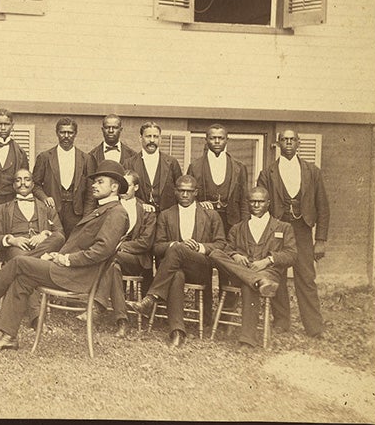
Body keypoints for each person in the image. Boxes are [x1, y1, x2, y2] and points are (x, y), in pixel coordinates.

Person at [0, 160, 130, 352]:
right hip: (71, 270)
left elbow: (102, 250)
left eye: (100, 182)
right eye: (95, 181)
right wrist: (55, 255)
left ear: (114, 187)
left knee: (19, 262)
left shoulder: (116, 213)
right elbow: (81, 244)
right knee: (22, 279)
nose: (94, 185)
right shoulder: (103, 210)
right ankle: (8, 336)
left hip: (79, 276)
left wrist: (66, 259)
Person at [127, 175, 226, 347]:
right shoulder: (166, 215)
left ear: (196, 192)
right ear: (175, 192)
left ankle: (151, 297)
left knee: (177, 249)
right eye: (181, 191)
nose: (185, 195)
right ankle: (177, 332)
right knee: (176, 275)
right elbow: (157, 247)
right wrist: (175, 245)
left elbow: (221, 244)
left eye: (189, 191)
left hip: (199, 267)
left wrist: (199, 247)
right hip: (173, 270)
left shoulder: (210, 215)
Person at [257, 129, 330, 337]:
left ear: (298, 143)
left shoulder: (312, 171)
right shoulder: (267, 173)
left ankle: (314, 327)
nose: (288, 143)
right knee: (276, 273)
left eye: (292, 140)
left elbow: (323, 207)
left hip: (302, 230)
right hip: (278, 230)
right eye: (284, 140)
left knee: (306, 277)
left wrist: (321, 240)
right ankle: (281, 321)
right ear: (278, 144)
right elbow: (260, 206)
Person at [209, 187, 297, 347]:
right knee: (215, 253)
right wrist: (235, 255)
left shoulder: (283, 227)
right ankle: (256, 280)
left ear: (268, 203)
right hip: (246, 272)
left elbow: (292, 255)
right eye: (253, 201)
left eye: (260, 201)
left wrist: (268, 260)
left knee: (249, 285)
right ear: (248, 203)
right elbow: (227, 249)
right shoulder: (238, 228)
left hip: (268, 273)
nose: (256, 205)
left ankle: (247, 339)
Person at [90, 169, 156, 337]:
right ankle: (123, 321)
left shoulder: (146, 210)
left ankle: (98, 305)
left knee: (111, 258)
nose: (123, 188)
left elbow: (146, 242)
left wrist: (118, 247)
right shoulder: (110, 207)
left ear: (136, 187)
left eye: (128, 185)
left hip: (136, 260)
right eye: (121, 185)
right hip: (113, 260)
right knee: (113, 268)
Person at [0, 168, 66, 268]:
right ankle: (39, 260)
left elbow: (60, 234)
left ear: (33, 184)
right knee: (20, 256)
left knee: (58, 237)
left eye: (27, 179)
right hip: (17, 248)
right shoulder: (2, 209)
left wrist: (44, 235)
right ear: (13, 185)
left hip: (42, 246)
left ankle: (23, 262)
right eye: (18, 180)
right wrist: (12, 240)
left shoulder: (47, 209)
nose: (23, 183)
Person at [32, 117, 95, 237]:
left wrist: (86, 217)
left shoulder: (86, 159)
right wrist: (45, 197)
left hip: (76, 212)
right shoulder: (45, 157)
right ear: (57, 133)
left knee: (73, 245)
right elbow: (35, 185)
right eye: (62, 132)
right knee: (54, 241)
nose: (66, 136)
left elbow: (90, 191)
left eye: (70, 132)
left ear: (75, 134)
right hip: (52, 210)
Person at [188, 124, 249, 233]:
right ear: (206, 140)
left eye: (221, 138)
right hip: (205, 220)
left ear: (227, 140)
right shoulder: (195, 166)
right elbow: (188, 196)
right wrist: (198, 204)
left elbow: (244, 199)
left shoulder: (239, 167)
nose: (217, 141)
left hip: (232, 222)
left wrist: (244, 226)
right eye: (212, 138)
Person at [124, 121, 182, 213]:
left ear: (160, 139)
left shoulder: (172, 162)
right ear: (140, 138)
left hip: (166, 217)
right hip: (140, 216)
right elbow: (124, 193)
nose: (152, 140)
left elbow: (180, 190)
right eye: (148, 136)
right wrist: (140, 205)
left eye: (155, 136)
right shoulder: (129, 163)